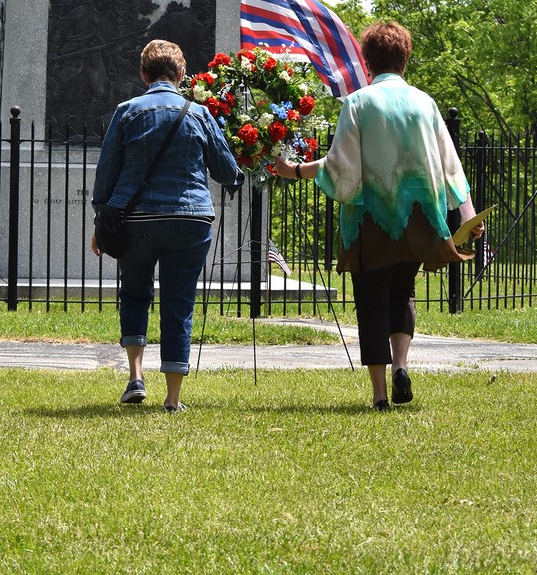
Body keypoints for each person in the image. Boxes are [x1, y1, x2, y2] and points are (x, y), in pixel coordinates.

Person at [273, 22, 484, 410]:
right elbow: (450, 165)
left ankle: (380, 394)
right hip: (418, 220)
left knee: (370, 302)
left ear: (367, 61)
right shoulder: (425, 103)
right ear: (405, 58)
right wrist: (467, 215)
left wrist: (297, 170)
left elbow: (340, 167)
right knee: (402, 292)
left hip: (369, 220)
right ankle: (401, 365)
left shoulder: (359, 103)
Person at [91, 39, 243, 411]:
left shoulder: (126, 111)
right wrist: (239, 177)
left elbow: (106, 173)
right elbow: (226, 170)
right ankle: (173, 400)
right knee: (179, 303)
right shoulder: (200, 113)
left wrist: (101, 219)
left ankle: (135, 377)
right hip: (190, 219)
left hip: (137, 220)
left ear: (144, 74)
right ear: (181, 74)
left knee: (135, 293)